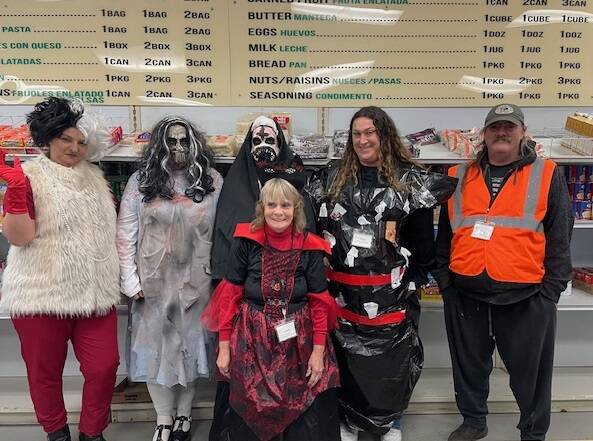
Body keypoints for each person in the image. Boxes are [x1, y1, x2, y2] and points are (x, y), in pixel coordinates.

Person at [306, 106, 457, 441]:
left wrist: (414, 280)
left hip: (392, 296)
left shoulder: (407, 182)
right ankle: (347, 419)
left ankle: (392, 422)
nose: (363, 140)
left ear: (384, 135)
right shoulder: (330, 180)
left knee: (393, 361)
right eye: (357, 134)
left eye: (369, 133)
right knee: (345, 358)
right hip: (343, 295)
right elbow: (315, 232)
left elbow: (421, 243)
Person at [433, 103, 573, 441]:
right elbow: (446, 234)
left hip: (526, 295)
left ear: (522, 132)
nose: (502, 133)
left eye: (509, 127)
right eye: (495, 127)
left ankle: (533, 432)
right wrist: (446, 283)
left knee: (531, 373)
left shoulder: (546, 173)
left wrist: (550, 291)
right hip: (466, 293)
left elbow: (559, 234)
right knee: (469, 366)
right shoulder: (458, 175)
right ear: (485, 133)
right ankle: (473, 421)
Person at [0, 97, 120, 441]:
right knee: (44, 373)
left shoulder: (97, 180)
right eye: (66, 139)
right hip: (42, 293)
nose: (74, 148)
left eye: (81, 142)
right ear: (48, 139)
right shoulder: (29, 177)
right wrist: (18, 193)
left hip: (95, 294)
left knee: (105, 366)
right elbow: (19, 237)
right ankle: (56, 432)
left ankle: (92, 433)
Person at [202, 178, 341, 441]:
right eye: (272, 204)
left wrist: (318, 352)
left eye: (286, 205)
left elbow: (320, 304)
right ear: (261, 208)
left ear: (296, 208)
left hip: (299, 343)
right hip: (251, 341)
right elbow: (229, 296)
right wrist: (224, 347)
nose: (279, 211)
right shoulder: (245, 241)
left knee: (302, 414)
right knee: (251, 409)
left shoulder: (310, 246)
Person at [116, 117, 222, 441]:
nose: (177, 148)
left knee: (191, 351)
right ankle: (163, 417)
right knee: (155, 351)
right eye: (171, 141)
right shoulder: (141, 182)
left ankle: (184, 418)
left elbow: (223, 232)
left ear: (195, 145)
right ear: (160, 145)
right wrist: (130, 281)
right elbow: (125, 232)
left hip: (197, 286)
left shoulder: (213, 181)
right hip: (153, 287)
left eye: (183, 141)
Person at [208, 116, 307, 440]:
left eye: (271, 140)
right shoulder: (234, 190)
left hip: (290, 318)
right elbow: (229, 274)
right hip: (247, 321)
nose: (263, 146)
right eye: (256, 140)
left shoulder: (296, 193)